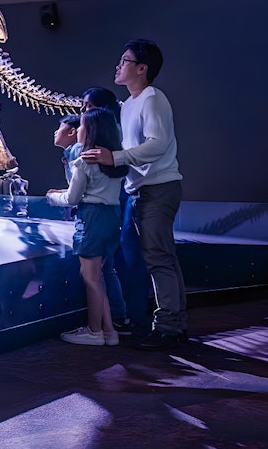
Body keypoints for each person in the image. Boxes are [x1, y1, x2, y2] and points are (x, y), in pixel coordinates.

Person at [83, 39, 186, 350]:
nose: (118, 66)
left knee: (158, 258)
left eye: (125, 60)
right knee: (159, 257)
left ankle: (168, 328)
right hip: (140, 191)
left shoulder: (153, 99)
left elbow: (157, 144)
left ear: (142, 68)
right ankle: (172, 324)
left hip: (158, 189)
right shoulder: (128, 105)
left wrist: (114, 158)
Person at [46, 107, 129, 347]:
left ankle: (94, 331)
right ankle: (109, 331)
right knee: (99, 275)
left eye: (81, 125)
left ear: (91, 129)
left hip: (91, 218)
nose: (78, 130)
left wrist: (52, 197)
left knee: (90, 277)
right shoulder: (114, 160)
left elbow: (73, 199)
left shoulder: (84, 161)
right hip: (112, 217)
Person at [82, 86, 145, 336]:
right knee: (111, 264)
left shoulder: (112, 142)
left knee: (116, 263)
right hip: (116, 203)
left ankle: (123, 320)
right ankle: (117, 322)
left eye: (87, 107)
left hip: (118, 203)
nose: (83, 114)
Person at [52, 113, 82, 182]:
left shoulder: (77, 150)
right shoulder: (69, 154)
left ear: (71, 132)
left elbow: (80, 184)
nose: (56, 132)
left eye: (59, 128)